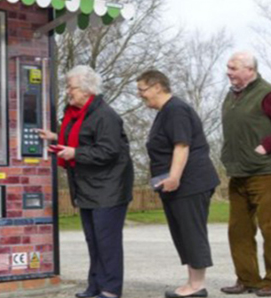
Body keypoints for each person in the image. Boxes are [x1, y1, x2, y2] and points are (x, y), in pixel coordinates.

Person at [37, 65, 133, 298]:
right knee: (93, 240)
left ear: (88, 89)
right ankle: (95, 285)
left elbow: (108, 151)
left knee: (107, 242)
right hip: (88, 188)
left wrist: (75, 154)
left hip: (108, 189)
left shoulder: (106, 116)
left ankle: (110, 289)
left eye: (72, 87)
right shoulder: (75, 114)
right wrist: (55, 137)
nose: (68, 91)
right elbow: (80, 138)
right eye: (68, 86)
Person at [137, 70, 219, 298]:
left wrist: (174, 177)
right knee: (182, 233)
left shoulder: (176, 110)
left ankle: (197, 286)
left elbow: (182, 146)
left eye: (142, 90)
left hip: (190, 183)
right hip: (179, 184)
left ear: (157, 86)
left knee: (192, 232)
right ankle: (192, 283)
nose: (140, 95)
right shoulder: (165, 112)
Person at [220, 51, 271, 297]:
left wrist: (266, 146)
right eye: (228, 67)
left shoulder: (269, 95)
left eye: (233, 67)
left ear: (250, 69)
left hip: (268, 172)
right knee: (238, 229)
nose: (228, 71)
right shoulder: (232, 96)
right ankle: (247, 279)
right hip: (239, 173)